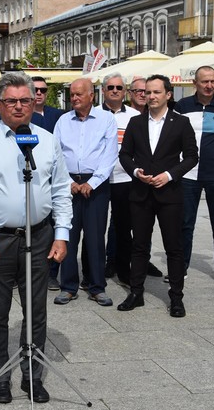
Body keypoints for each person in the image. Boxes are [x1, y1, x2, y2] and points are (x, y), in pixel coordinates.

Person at [0, 72, 72, 404]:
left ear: (34, 102)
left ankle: (32, 376)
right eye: (12, 101)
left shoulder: (47, 140)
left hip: (40, 236)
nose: (19, 107)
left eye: (26, 100)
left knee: (36, 312)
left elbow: (61, 191)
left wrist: (61, 234)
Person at [117, 74, 198, 318]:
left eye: (156, 92)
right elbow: (124, 154)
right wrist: (135, 172)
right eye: (147, 92)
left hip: (169, 194)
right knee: (139, 246)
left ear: (168, 95)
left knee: (174, 247)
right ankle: (136, 293)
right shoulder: (136, 122)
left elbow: (192, 157)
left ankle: (176, 297)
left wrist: (170, 175)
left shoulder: (181, 122)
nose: (150, 96)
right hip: (141, 193)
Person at [52, 78, 118, 307]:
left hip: (96, 184)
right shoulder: (63, 121)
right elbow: (56, 153)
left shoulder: (106, 119)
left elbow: (110, 154)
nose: (74, 98)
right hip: (68, 182)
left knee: (95, 237)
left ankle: (97, 286)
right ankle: (68, 287)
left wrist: (94, 182)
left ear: (92, 95)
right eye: (72, 94)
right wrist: (68, 181)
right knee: (68, 236)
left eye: (79, 94)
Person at [174, 66, 214, 287]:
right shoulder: (182, 106)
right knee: (185, 223)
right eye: (204, 81)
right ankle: (180, 267)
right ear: (195, 83)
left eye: (213, 81)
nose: (209, 85)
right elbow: (173, 136)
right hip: (188, 173)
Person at [100, 73, 154, 287]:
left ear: (125, 92)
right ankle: (98, 267)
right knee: (96, 228)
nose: (115, 91)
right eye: (110, 87)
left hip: (125, 178)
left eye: (119, 88)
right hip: (98, 179)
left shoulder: (134, 115)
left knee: (123, 227)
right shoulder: (94, 114)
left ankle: (123, 269)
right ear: (103, 90)